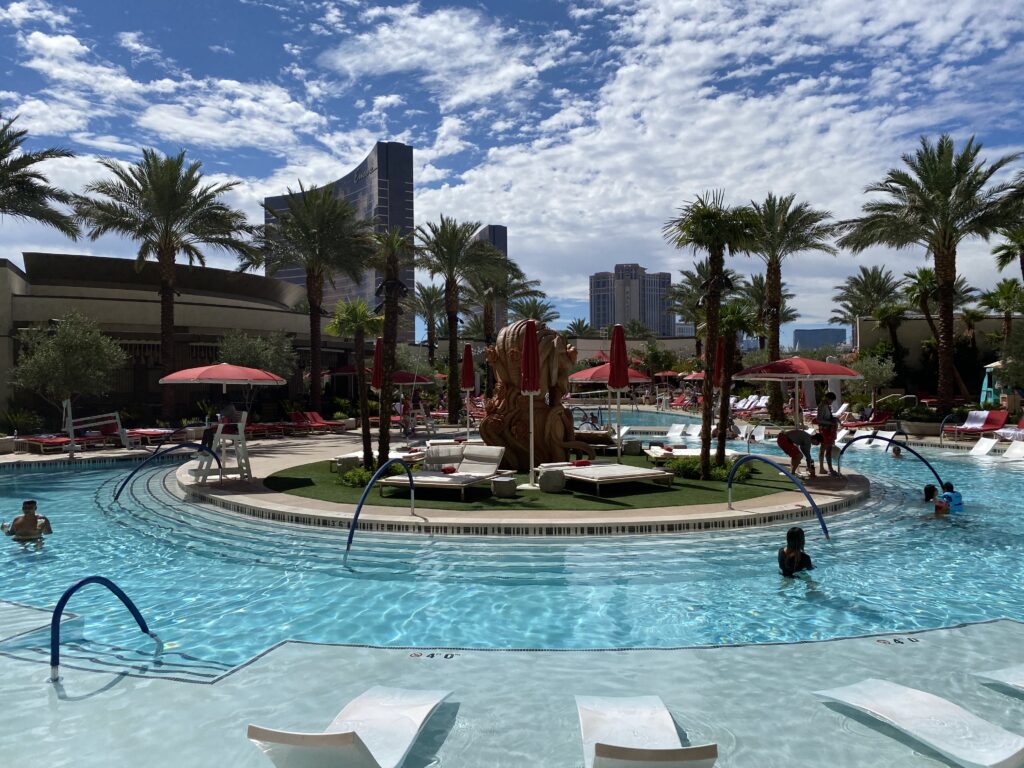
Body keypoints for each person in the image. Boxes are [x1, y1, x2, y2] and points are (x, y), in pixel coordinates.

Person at [816, 392, 839, 476]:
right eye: (831, 400)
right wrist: (830, 423)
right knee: (824, 449)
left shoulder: (825, 405)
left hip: (827, 430)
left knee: (827, 449)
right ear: (827, 398)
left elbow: (826, 417)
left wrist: (834, 419)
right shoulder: (822, 406)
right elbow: (818, 419)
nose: (831, 402)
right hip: (825, 430)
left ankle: (828, 468)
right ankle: (823, 468)